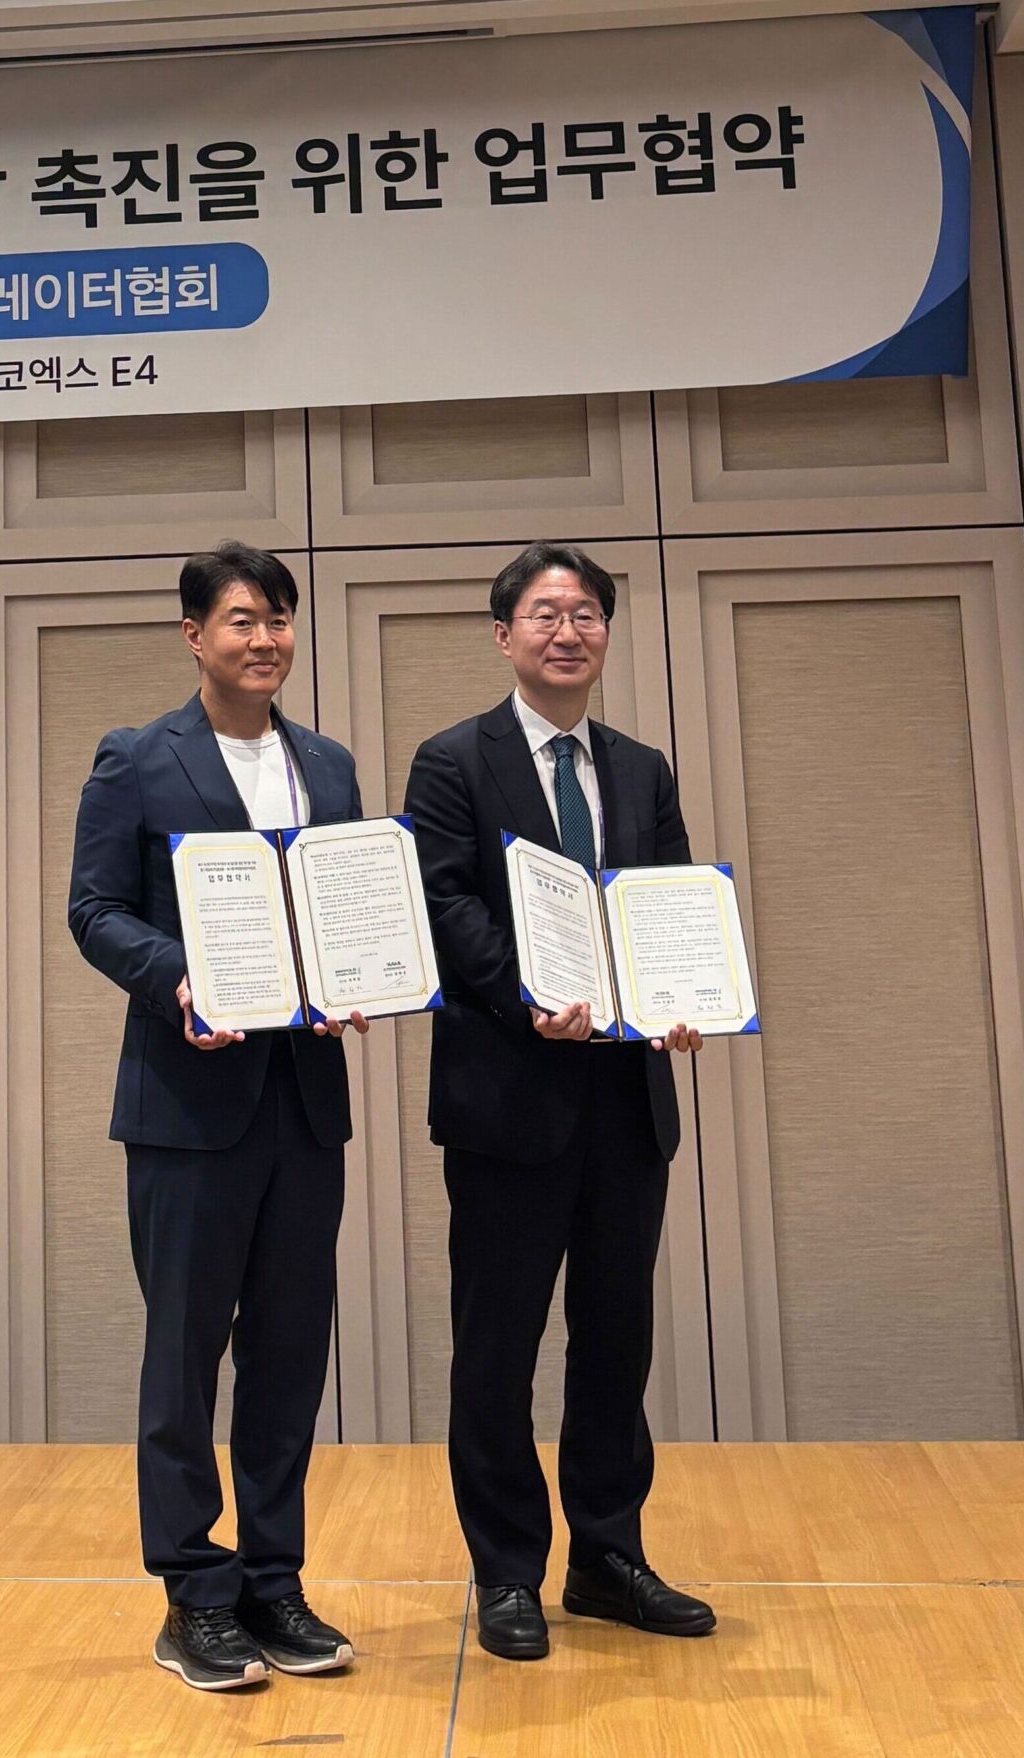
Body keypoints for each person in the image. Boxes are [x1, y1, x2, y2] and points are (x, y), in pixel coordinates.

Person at [402, 540, 717, 1661]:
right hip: (506, 1102)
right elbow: (445, 906)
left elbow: (668, 900)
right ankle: (505, 1571)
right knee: (497, 1348)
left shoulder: (641, 770)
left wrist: (682, 996)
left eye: (585, 613)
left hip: (626, 1102)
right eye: (544, 613)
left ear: (605, 634)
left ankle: (608, 1557)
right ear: (505, 637)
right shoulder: (452, 761)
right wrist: (528, 992)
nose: (567, 631)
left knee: (616, 1341)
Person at [67, 540, 370, 1691]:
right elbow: (94, 910)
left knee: (288, 1354)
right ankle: (192, 1596)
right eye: (243, 619)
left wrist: (361, 971)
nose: (265, 639)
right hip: (187, 1106)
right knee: (185, 1358)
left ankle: (272, 1581)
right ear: (194, 635)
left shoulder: (328, 767)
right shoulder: (138, 759)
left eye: (279, 618)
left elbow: (345, 907)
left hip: (303, 1102)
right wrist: (179, 978)